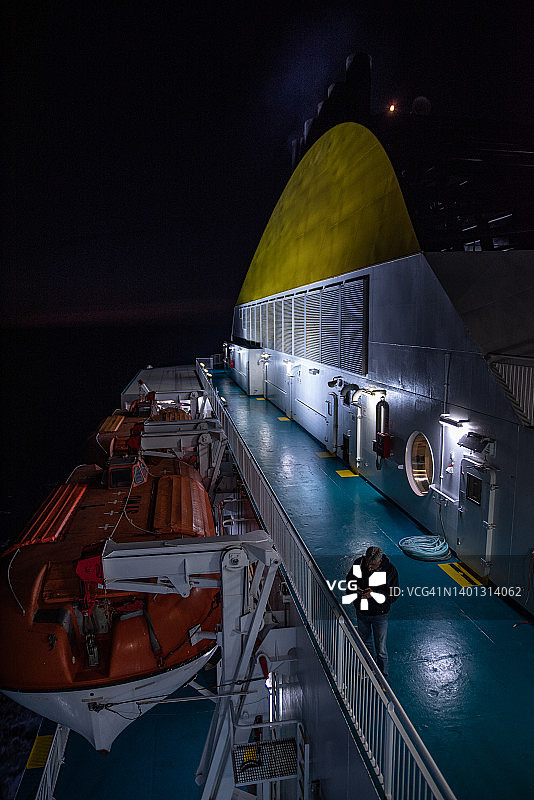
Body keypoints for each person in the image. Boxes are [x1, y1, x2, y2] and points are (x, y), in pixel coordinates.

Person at [345, 546, 399, 678]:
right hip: (362, 611)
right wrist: (355, 589)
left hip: (379, 614)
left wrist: (374, 594)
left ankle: (382, 676)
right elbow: (349, 582)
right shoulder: (359, 564)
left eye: (372, 565)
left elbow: (393, 594)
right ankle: (368, 670)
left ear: (380, 562)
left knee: (381, 648)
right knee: (365, 644)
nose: (369, 567)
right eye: (368, 563)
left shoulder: (389, 570)